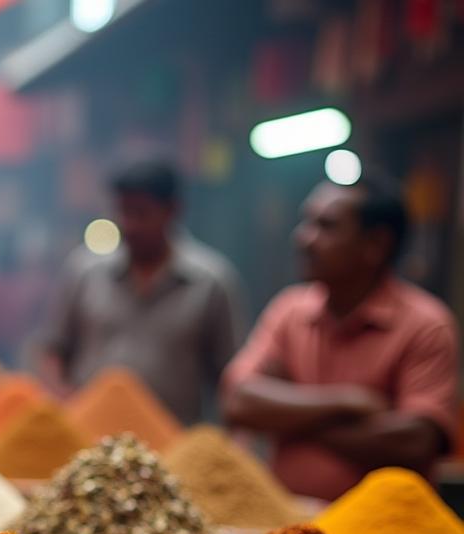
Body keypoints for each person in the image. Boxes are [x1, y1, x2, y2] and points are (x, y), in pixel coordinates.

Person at [223, 174, 460, 501]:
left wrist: (287, 418)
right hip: (290, 531)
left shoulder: (426, 325)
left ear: (376, 245)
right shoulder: (290, 310)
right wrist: (348, 401)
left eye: (326, 226)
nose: (304, 238)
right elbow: (238, 400)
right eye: (306, 221)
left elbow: (415, 443)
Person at [40, 159, 243, 423]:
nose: (129, 225)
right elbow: (53, 349)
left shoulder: (210, 283)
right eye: (123, 212)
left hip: (172, 443)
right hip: (89, 437)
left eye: (141, 213)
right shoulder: (85, 272)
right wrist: (61, 394)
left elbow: (230, 375)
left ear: (172, 210)